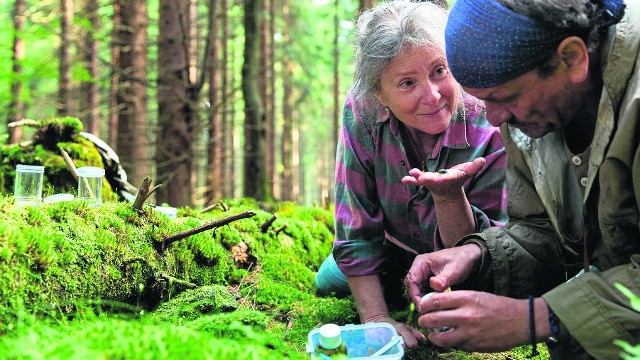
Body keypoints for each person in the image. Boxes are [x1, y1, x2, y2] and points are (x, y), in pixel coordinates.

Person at [405, 0, 640, 358]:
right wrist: (477, 255)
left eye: (506, 97)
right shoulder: (532, 115)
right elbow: (543, 230)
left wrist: (535, 319)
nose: (496, 120)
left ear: (571, 59)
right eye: (484, 102)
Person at [315, 0, 509, 348]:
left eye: (439, 71)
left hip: (467, 259)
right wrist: (375, 319)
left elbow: (490, 247)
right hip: (391, 247)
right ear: (380, 95)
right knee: (330, 282)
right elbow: (355, 224)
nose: (432, 96)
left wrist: (450, 197)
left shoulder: (488, 114)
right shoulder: (361, 110)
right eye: (407, 82)